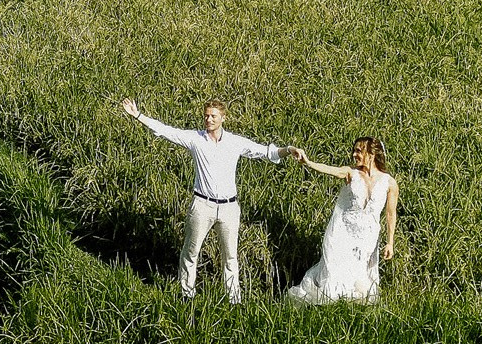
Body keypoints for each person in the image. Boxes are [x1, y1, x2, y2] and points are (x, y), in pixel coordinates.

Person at [120, 98, 290, 304]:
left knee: (230, 257)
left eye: (213, 116)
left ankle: (233, 301)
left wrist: (289, 150)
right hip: (202, 205)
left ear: (223, 118)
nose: (209, 120)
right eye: (206, 116)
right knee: (191, 252)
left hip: (229, 208)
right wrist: (138, 115)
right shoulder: (195, 139)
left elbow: (266, 152)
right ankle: (187, 296)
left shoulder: (235, 142)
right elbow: (166, 131)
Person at [284, 137, 398, 304]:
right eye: (354, 151)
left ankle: (352, 307)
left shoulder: (389, 182)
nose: (354, 155)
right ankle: (329, 304)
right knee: (336, 269)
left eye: (359, 151)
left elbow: (390, 214)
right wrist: (308, 163)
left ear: (371, 153)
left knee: (359, 272)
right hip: (343, 232)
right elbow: (330, 170)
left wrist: (390, 243)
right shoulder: (351, 173)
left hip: (368, 236)